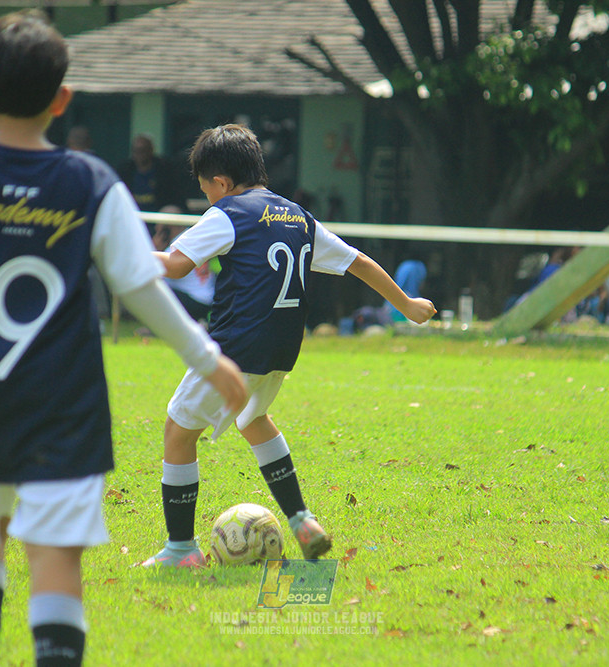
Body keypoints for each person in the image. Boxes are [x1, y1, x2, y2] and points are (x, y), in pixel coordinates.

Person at [0, 12, 246, 667]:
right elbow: (138, 285)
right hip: (65, 399)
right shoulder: (91, 182)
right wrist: (207, 356)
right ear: (62, 100)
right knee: (54, 554)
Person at [143, 124, 436, 568]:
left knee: (177, 432)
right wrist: (407, 303)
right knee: (254, 418)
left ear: (220, 183)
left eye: (206, 192)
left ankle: (181, 550)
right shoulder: (296, 215)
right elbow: (356, 260)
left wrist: (118, 251)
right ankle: (301, 520)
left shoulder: (228, 214)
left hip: (234, 347)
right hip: (280, 348)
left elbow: (176, 266)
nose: (208, 201)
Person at [117, 134, 184, 212]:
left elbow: (175, 198)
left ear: (151, 150)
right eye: (136, 151)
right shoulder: (125, 170)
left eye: (143, 150)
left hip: (158, 216)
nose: (140, 155)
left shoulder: (165, 170)